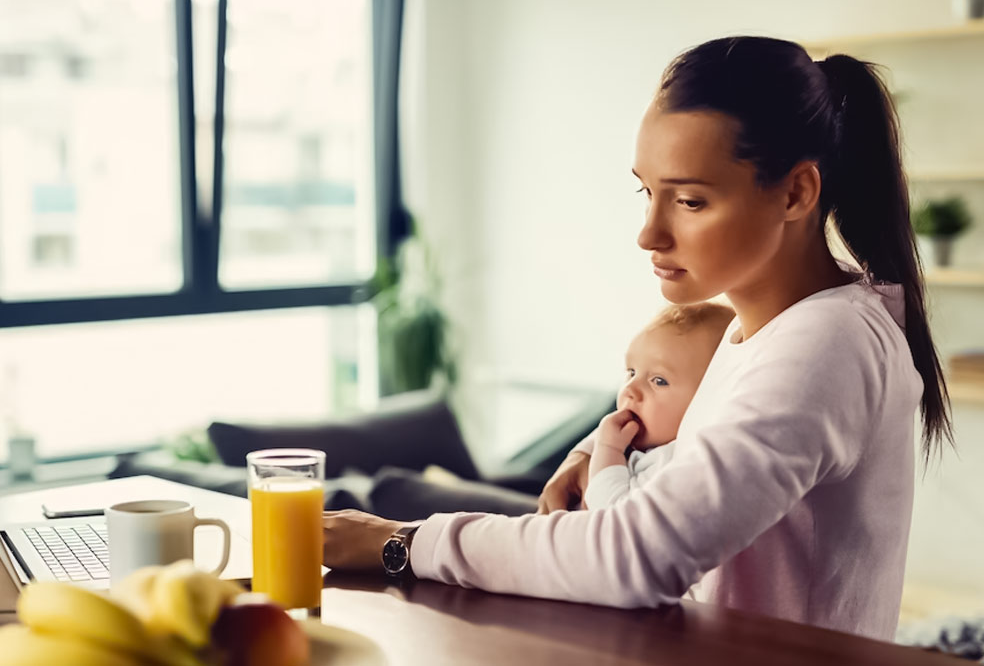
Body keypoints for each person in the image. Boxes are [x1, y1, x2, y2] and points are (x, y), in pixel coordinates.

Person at [323, 36, 953, 642]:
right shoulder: (765, 326)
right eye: (647, 192)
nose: (648, 233)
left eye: (691, 201)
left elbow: (639, 555)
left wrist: (406, 542)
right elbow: (716, 454)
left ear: (795, 192)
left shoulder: (829, 342)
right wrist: (592, 452)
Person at [583, 302, 735, 513]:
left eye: (659, 381)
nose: (630, 389)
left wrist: (608, 449)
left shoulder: (674, 462)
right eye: (631, 372)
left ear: (708, 399)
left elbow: (615, 516)